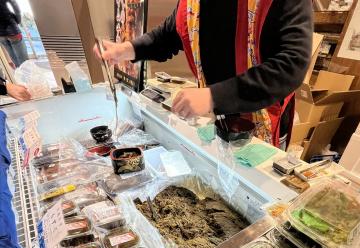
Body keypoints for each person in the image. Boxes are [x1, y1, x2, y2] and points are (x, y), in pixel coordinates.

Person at [94, 0, 313, 149]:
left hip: (262, 116)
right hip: (215, 116)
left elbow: (292, 64)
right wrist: (127, 50)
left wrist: (214, 96)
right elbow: (170, 33)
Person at [0, 0, 29, 68]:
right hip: (12, 29)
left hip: (1, 35)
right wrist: (18, 20)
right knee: (24, 61)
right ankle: (25, 74)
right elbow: (14, 4)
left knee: (14, 59)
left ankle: (19, 73)